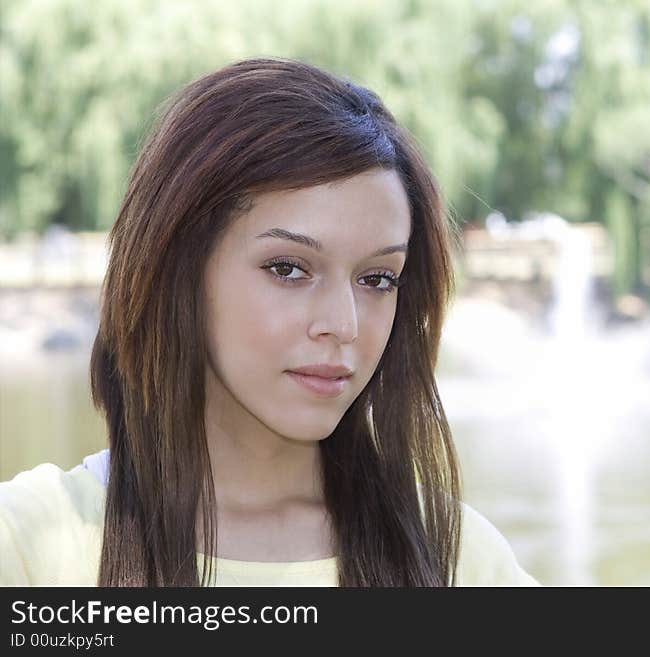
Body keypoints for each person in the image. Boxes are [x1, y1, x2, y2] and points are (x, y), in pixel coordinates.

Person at [0, 57, 540, 587]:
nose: (343, 324)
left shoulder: (458, 560)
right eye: (289, 269)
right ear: (177, 270)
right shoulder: (31, 544)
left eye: (378, 279)